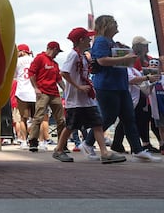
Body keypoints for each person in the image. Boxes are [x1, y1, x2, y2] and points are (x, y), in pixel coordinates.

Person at [81, 15, 161, 162]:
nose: (117, 25)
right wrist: (125, 59)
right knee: (109, 117)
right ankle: (87, 143)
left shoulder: (111, 42)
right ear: (106, 25)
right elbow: (101, 60)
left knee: (129, 118)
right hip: (107, 85)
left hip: (120, 84)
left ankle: (137, 150)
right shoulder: (100, 41)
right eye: (114, 23)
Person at [52, 27, 125, 163]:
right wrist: (78, 86)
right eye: (87, 38)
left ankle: (104, 152)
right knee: (71, 126)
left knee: (97, 123)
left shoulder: (83, 56)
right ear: (81, 40)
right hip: (75, 100)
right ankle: (58, 149)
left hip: (86, 100)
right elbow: (64, 72)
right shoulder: (73, 55)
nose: (90, 40)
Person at [111, 36, 159, 154]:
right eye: (144, 45)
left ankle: (124, 144)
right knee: (129, 120)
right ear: (139, 47)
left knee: (132, 120)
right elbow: (132, 77)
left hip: (140, 93)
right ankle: (137, 145)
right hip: (134, 93)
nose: (147, 47)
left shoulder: (146, 59)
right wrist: (147, 76)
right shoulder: (134, 60)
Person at [26, 41, 65, 153]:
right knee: (38, 117)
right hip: (43, 92)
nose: (57, 54)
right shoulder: (40, 58)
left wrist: (65, 89)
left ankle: (62, 143)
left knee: (61, 119)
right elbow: (31, 73)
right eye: (57, 51)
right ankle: (33, 141)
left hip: (54, 93)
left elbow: (59, 79)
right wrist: (36, 88)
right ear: (52, 49)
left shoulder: (55, 64)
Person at [13, 44, 36, 150]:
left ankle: (23, 141)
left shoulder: (17, 62)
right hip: (35, 92)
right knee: (37, 119)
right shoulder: (34, 60)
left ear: (22, 51)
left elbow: (14, 76)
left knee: (23, 119)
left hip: (22, 92)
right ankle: (38, 141)